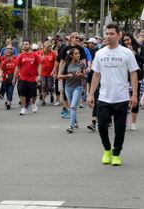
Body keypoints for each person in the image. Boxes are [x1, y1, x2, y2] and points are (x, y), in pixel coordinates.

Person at [88, 24, 139, 166]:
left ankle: (116, 153)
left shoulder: (126, 53)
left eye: (111, 34)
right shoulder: (100, 53)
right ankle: (107, 149)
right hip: (104, 97)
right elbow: (96, 75)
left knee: (120, 128)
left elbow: (133, 73)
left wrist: (134, 94)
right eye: (107, 33)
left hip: (122, 97)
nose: (108, 36)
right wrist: (91, 94)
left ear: (118, 35)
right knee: (102, 125)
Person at [58, 48, 86, 133]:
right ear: (71, 56)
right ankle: (75, 121)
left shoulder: (81, 64)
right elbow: (59, 76)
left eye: (79, 53)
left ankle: (70, 126)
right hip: (68, 87)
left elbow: (86, 77)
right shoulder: (66, 64)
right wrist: (67, 76)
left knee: (73, 106)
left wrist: (81, 74)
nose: (78, 55)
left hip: (78, 87)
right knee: (71, 107)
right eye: (76, 53)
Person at [12, 39, 42, 115]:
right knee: (22, 93)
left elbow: (39, 65)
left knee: (33, 95)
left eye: (26, 44)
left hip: (32, 79)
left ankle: (33, 104)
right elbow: (17, 67)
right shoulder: (20, 56)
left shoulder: (35, 55)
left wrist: (39, 76)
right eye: (24, 44)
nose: (25, 46)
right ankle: (24, 108)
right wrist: (14, 78)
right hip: (22, 78)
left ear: (30, 45)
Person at [122, 32, 144, 131]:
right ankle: (124, 121)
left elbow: (143, 60)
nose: (126, 42)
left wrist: (135, 54)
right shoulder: (120, 50)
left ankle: (133, 123)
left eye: (128, 39)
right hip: (124, 77)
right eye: (124, 40)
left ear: (132, 39)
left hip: (137, 76)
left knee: (135, 99)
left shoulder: (139, 48)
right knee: (125, 100)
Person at [40, 41, 56, 106]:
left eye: (50, 46)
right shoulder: (41, 54)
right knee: (43, 86)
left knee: (50, 86)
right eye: (47, 46)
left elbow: (55, 63)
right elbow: (39, 64)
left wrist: (54, 71)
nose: (49, 47)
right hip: (43, 73)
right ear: (44, 47)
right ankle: (43, 100)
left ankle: (51, 95)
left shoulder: (53, 53)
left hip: (50, 73)